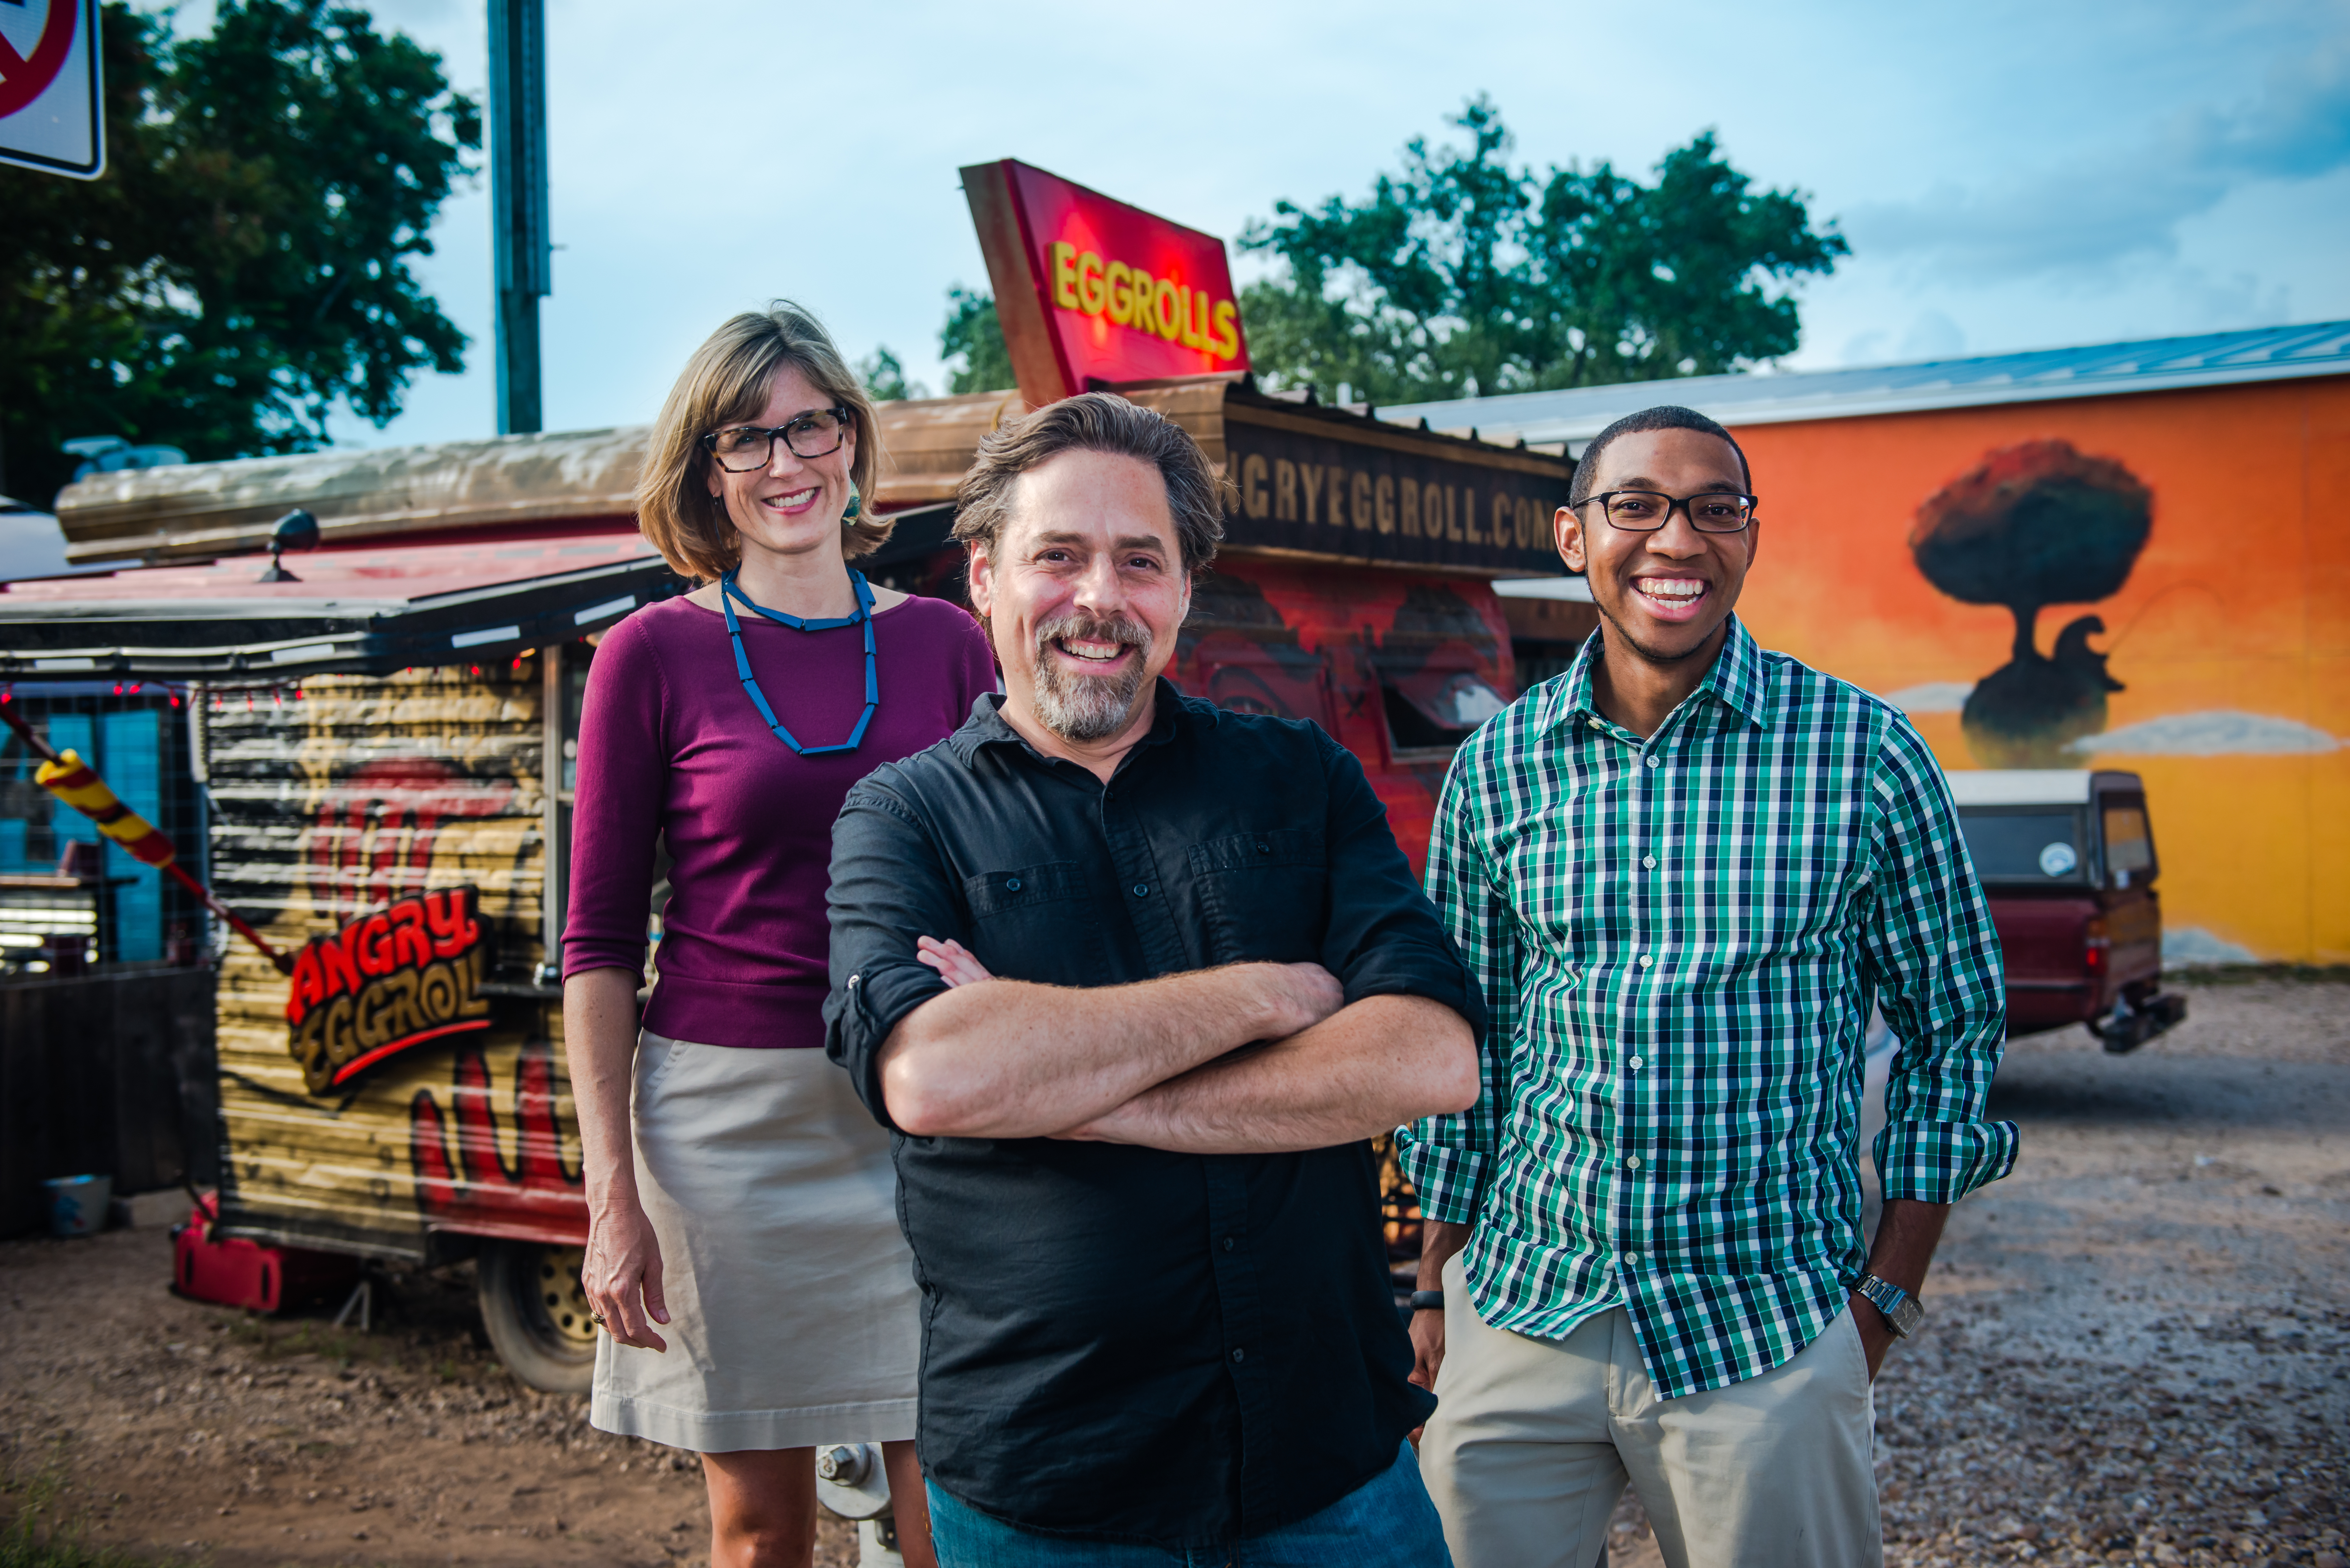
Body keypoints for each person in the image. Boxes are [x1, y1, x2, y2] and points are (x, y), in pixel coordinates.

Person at [821, 392, 1485, 1566]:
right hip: (1055, 1486)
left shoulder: (1303, 780)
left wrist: (1078, 1093)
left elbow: (1430, 1057)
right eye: (1058, 557)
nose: (1099, 601)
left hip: (1335, 1473)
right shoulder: (902, 815)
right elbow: (934, 1075)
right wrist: (1273, 995)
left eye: (1140, 562)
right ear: (982, 576)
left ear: (1184, 590)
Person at [1400, 405, 2016, 1568]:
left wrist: (1883, 1300)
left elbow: (1958, 1025)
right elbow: (1466, 1044)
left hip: (1768, 1324)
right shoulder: (1498, 768)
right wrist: (1438, 1289)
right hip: (1525, 1305)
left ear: (1748, 539)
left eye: (1716, 510)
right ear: (1575, 538)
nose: (1677, 540)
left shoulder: (1864, 756)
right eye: (1636, 505)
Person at [563, 302, 995, 1568]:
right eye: (743, 439)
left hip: (921, 1112)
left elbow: (1006, 876)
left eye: (810, 425)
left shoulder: (948, 643)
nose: (784, 462)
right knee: (758, 1535)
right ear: (707, 472)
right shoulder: (646, 656)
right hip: (721, 1135)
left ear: (854, 442)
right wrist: (610, 1199)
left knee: (955, 1518)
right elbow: (595, 945)